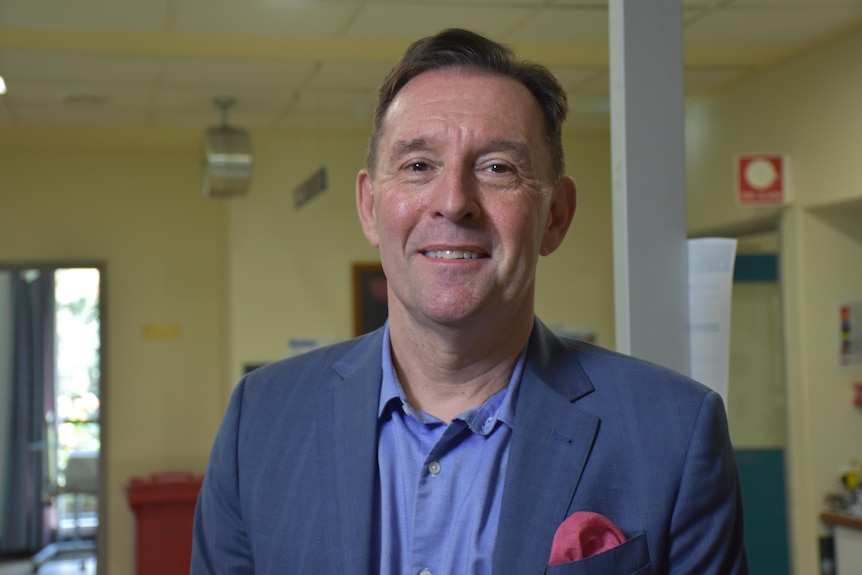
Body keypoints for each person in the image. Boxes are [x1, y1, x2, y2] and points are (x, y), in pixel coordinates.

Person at [191, 28, 748, 574]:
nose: (454, 202)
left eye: (498, 168)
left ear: (555, 216)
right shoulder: (260, 421)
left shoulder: (674, 432)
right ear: (369, 207)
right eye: (417, 167)